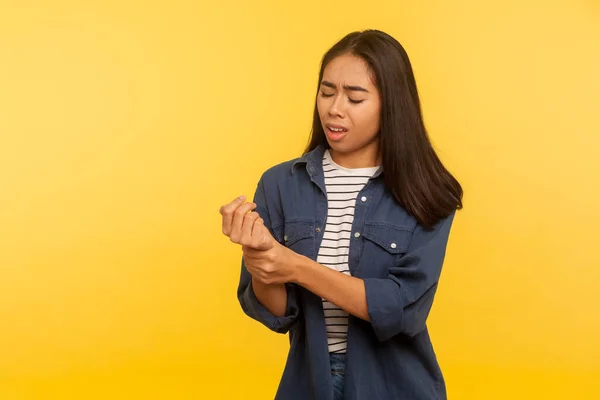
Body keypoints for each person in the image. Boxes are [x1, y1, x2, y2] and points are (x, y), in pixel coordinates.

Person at [219, 29, 463, 400]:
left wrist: (295, 266)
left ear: (391, 104)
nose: (335, 108)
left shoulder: (429, 191)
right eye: (327, 91)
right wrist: (259, 260)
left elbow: (401, 309)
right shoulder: (280, 184)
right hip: (308, 383)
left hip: (396, 388)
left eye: (355, 97)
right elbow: (279, 311)